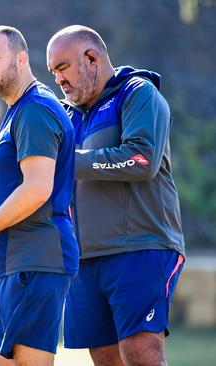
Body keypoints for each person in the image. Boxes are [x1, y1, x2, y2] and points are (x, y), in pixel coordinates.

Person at [47, 25, 185, 366]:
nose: (58, 80)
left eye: (62, 68)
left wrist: (66, 161)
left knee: (141, 354)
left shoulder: (138, 93)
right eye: (53, 73)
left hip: (141, 248)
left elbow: (142, 159)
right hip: (84, 260)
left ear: (91, 58)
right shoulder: (66, 117)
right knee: (105, 359)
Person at [0, 26, 78, 366]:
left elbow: (37, 188)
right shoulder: (17, 111)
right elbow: (11, 186)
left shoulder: (35, 108)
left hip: (34, 259)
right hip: (13, 265)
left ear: (21, 59)